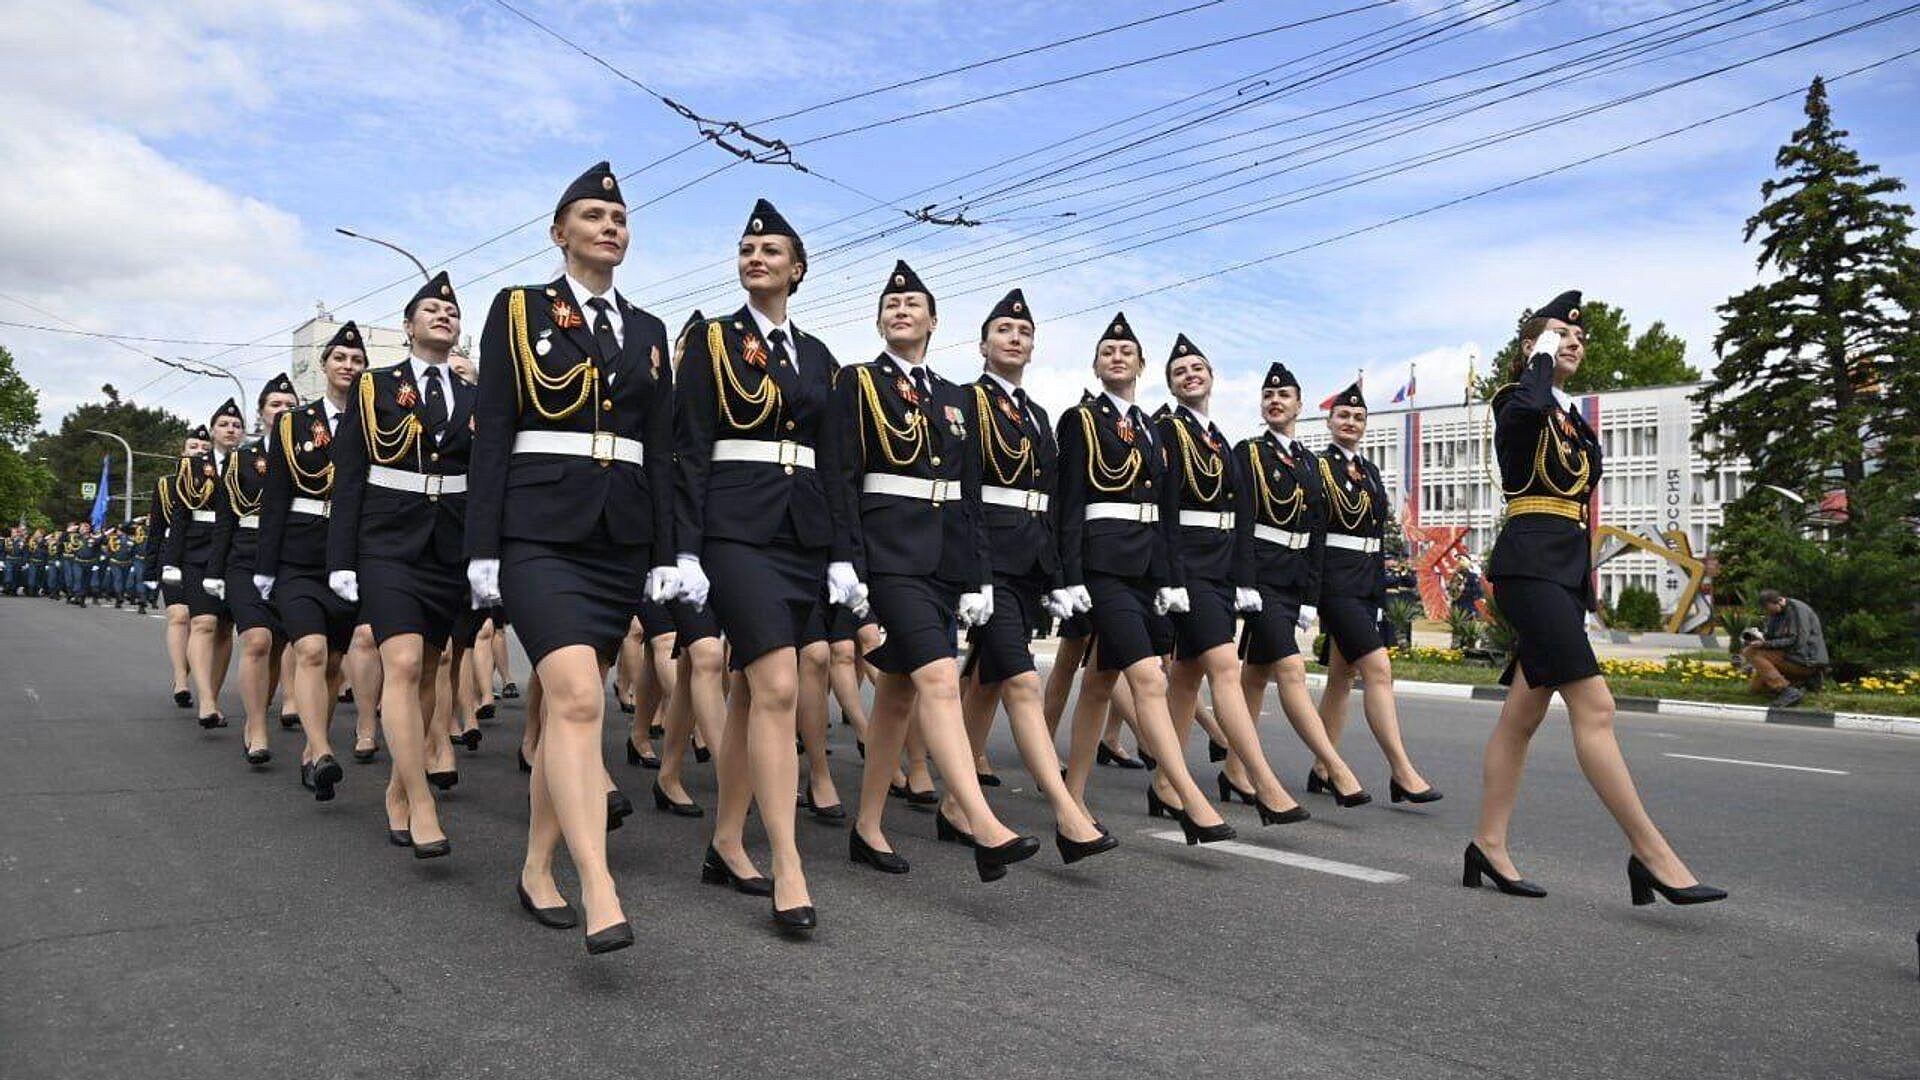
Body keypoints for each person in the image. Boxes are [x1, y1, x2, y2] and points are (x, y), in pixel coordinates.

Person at [466, 161, 680, 954]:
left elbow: (659, 453)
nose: (609, 227)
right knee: (579, 699)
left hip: (617, 539)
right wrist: (481, 549)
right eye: (593, 216)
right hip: (537, 534)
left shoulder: (650, 332)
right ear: (560, 233)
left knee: (566, 710)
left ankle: (535, 866)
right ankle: (601, 884)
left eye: (619, 218)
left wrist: (666, 551)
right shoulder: (519, 310)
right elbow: (493, 432)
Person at [1468, 289, 1723, 906]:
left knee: (1521, 717)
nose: (1575, 342)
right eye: (1561, 334)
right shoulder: (1516, 401)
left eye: (1579, 337)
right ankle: (1652, 856)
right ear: (1532, 347)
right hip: (1528, 568)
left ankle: (1488, 845)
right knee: (1597, 708)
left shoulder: (1566, 415)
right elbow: (1525, 409)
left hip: (1563, 572)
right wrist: (1538, 357)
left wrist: (1585, 585)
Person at [677, 199, 858, 929]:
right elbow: (688, 447)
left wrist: (845, 554)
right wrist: (683, 549)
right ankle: (788, 861)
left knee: (757, 694)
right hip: (735, 532)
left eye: (772, 251)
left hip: (803, 536)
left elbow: (838, 466)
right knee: (779, 684)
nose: (756, 257)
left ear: (798, 270)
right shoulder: (713, 343)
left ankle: (725, 839)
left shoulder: (819, 358)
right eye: (748, 248)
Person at [832, 260, 1041, 883]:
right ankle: (982, 822)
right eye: (890, 305)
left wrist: (979, 575)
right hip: (887, 559)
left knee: (896, 698)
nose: (901, 311)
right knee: (941, 681)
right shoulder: (857, 382)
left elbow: (969, 494)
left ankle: (867, 828)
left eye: (913, 305)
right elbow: (841, 479)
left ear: (933, 321)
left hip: (943, 564)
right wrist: (847, 561)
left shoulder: (954, 399)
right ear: (879, 319)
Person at [946, 288, 1114, 863]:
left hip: (1029, 564)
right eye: (1003, 332)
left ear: (1033, 346)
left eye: (1023, 334)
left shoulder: (1038, 414)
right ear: (983, 344)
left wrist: (1062, 575)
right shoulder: (965, 401)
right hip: (986, 560)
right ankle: (1069, 814)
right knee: (1020, 682)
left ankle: (953, 804)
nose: (1014, 340)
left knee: (989, 682)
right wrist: (972, 573)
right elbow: (964, 491)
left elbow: (1052, 498)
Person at [1055, 312, 1235, 844]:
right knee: (1150, 679)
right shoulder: (1081, 420)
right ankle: (1187, 797)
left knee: (1099, 684)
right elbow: (1068, 505)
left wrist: (1170, 578)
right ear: (1095, 363)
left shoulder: (1155, 432)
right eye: (1107, 351)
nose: (1117, 356)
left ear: (1141, 365)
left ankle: (1075, 797)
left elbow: (1165, 513)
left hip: (1146, 572)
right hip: (1102, 567)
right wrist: (1068, 577)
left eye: (1126, 351)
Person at [328, 270, 475, 861]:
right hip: (387, 541)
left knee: (433, 669)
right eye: (432, 309)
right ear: (408, 326)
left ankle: (397, 787)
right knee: (405, 663)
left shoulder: (475, 396)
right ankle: (420, 801)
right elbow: (350, 474)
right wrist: (341, 558)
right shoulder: (374, 387)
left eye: (451, 311)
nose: (444, 316)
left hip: (451, 543)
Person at [1154, 336, 1312, 828]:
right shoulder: (1167, 430)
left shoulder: (1220, 439)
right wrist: (1172, 577)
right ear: (1171, 383)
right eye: (1180, 370)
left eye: (1197, 366)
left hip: (1222, 570)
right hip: (1190, 569)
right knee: (1225, 666)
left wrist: (1245, 578)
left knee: (1185, 676)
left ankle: (1164, 782)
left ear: (1212, 376)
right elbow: (1166, 510)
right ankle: (1265, 785)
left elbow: (1242, 515)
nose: (1190, 374)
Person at [1230, 362, 1370, 806]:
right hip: (1262, 581)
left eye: (1284, 396)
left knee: (1254, 676)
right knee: (1291, 669)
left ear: (1299, 406)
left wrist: (1311, 596)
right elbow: (1242, 520)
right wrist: (1245, 581)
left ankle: (1234, 770)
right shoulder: (1248, 452)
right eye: (1269, 396)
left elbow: (1317, 533)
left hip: (1293, 581)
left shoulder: (1310, 463)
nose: (1275, 401)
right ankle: (1335, 766)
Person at [1311, 381, 1441, 804]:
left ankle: (1322, 767)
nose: (1351, 422)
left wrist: (1381, 595)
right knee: (1378, 670)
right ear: (1330, 421)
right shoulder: (1319, 468)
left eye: (1358, 417)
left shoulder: (1369, 471)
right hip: (1335, 583)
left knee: (1341, 678)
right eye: (1343, 416)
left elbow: (1377, 536)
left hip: (1367, 582)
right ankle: (1402, 772)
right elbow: (1313, 532)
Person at [256, 324, 368, 800]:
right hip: (300, 553)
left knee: (336, 660)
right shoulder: (293, 424)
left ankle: (312, 755)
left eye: (356, 359)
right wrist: (265, 565)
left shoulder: (377, 418)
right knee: (311, 651)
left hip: (355, 551)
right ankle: (320, 749)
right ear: (323, 366)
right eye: (339, 357)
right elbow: (276, 496)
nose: (348, 365)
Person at [207, 373, 299, 764]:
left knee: (280, 644)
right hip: (246, 556)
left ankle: (261, 710)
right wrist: (214, 571)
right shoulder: (240, 460)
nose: (283, 411)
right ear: (261, 413)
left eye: (290, 405)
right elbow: (225, 518)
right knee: (258, 640)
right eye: (275, 405)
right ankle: (257, 724)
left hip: (292, 556)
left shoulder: (312, 452)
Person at [164, 402, 247, 729]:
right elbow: (180, 518)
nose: (230, 429)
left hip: (236, 551)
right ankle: (207, 700)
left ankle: (211, 691)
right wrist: (171, 562)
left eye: (236, 424)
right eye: (224, 424)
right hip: (199, 550)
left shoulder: (251, 464)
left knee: (225, 628)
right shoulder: (195, 467)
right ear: (213, 431)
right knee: (203, 623)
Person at [146, 428, 211, 708]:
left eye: (203, 446)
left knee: (201, 621)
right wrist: (150, 571)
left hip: (204, 554)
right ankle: (181, 677)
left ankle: (195, 673)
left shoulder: (219, 482)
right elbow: (156, 530)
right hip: (171, 555)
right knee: (178, 615)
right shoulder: (166, 485)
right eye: (193, 446)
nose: (198, 450)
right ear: (183, 452)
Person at [1742, 588, 1828, 707]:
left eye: (1767, 608)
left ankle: (1787, 691)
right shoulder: (1775, 614)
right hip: (1789, 656)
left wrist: (1765, 645)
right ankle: (1799, 683)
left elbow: (1797, 641)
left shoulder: (1797, 611)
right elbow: (1771, 638)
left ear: (1777, 601)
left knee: (1753, 653)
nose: (1767, 612)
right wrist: (1758, 638)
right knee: (1755, 690)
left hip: (1805, 659)